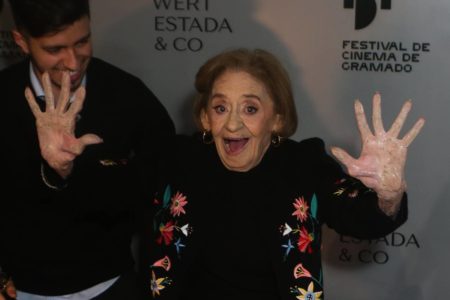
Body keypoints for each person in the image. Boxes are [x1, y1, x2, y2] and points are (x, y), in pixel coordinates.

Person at [145, 48, 425, 299]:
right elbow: (119, 196)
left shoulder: (304, 165)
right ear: (206, 117)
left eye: (250, 109)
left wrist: (389, 196)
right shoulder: (176, 160)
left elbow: (362, 217)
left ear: (277, 118)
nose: (232, 123)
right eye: (220, 108)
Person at [0, 0, 174, 299]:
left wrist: (69, 171)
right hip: (19, 290)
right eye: (54, 49)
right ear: (21, 42)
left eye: (82, 41)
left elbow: (162, 197)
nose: (72, 61)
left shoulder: (129, 97)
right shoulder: (3, 98)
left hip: (110, 285)